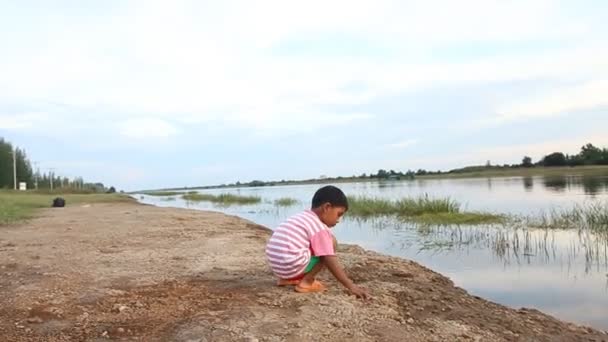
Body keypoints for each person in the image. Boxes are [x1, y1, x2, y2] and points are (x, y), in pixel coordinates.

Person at [265, 185, 369, 299]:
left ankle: (287, 279)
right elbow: (329, 258)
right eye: (339, 214)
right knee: (331, 242)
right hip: (291, 267)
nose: (338, 220)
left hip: (279, 269)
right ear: (327, 207)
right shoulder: (319, 228)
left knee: (314, 245)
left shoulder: (301, 217)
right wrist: (351, 286)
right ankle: (307, 282)